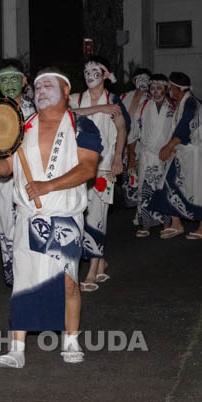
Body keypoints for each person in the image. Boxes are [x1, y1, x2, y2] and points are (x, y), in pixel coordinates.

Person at [0, 67, 102, 368]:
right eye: (37, 87)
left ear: (66, 91)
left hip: (63, 217)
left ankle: (71, 341)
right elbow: (5, 168)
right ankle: (17, 349)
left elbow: (88, 168)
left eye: (49, 85)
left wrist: (48, 186)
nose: (41, 91)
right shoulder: (21, 127)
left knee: (67, 282)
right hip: (27, 216)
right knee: (24, 281)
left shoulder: (82, 125)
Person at [69, 57, 128, 292]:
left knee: (97, 216)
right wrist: (100, 109)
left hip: (103, 167)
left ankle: (92, 270)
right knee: (78, 216)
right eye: (86, 71)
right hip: (76, 167)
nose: (89, 75)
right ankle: (100, 260)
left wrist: (118, 157)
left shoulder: (114, 100)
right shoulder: (75, 98)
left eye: (95, 70)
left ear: (105, 74)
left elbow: (121, 129)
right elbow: (67, 114)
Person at [0, 58, 35, 286]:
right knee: (7, 228)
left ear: (24, 81)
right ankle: (17, 280)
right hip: (3, 180)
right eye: (4, 80)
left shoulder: (37, 110)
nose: (9, 85)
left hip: (31, 179)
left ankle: (31, 279)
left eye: (14, 79)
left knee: (28, 229)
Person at [151, 72, 202, 239]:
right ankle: (176, 223)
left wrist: (169, 145)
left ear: (178, 88)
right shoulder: (183, 103)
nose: (168, 90)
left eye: (170, 87)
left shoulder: (192, 104)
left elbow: (186, 126)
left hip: (195, 153)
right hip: (183, 152)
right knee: (169, 181)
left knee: (197, 189)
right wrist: (171, 146)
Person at [131, 74, 175, 237]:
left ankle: (166, 223)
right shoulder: (143, 106)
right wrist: (131, 156)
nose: (155, 91)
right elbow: (134, 132)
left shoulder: (173, 107)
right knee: (145, 189)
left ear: (166, 89)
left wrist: (172, 149)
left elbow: (176, 131)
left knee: (165, 189)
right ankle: (146, 224)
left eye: (159, 88)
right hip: (147, 155)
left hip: (165, 154)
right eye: (152, 88)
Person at [118, 68, 151, 210]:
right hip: (124, 142)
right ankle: (134, 207)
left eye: (146, 79)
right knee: (129, 178)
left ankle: (143, 210)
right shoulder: (124, 97)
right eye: (139, 78)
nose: (142, 82)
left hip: (142, 145)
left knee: (144, 178)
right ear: (134, 81)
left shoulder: (151, 99)